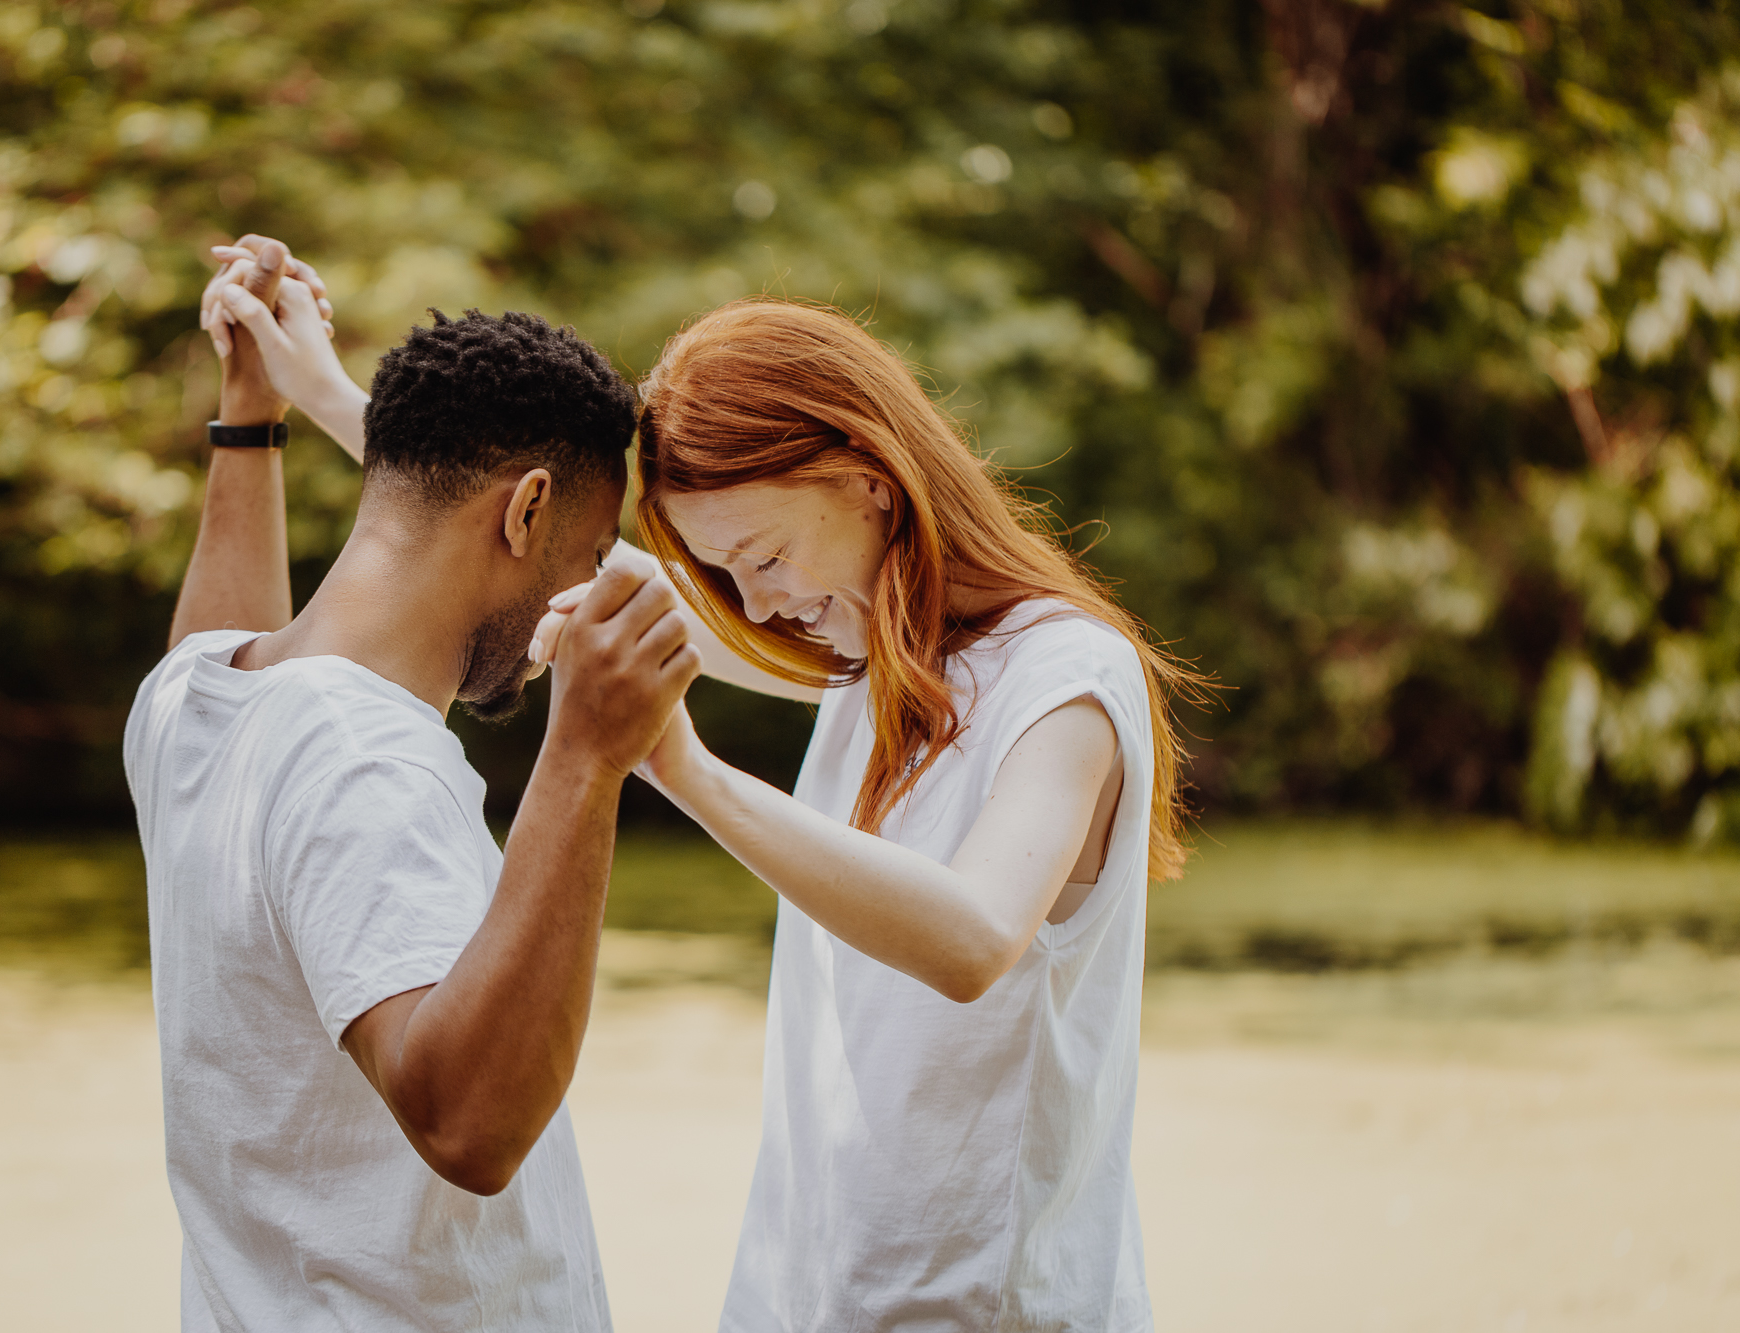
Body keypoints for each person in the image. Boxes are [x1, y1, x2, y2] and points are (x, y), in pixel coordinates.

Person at [208, 240, 1203, 1330]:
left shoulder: (1063, 673)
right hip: (811, 1298)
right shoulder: (873, 660)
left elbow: (970, 937)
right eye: (722, 576)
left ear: (866, 480)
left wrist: (678, 765)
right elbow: (506, 536)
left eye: (764, 559)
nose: (757, 607)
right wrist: (316, 391)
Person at [125, 240, 699, 1331]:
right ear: (525, 512)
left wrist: (250, 417)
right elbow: (468, 1127)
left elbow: (215, 631)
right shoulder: (369, 761)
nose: (579, 602)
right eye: (587, 553)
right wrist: (584, 756)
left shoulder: (197, 698)